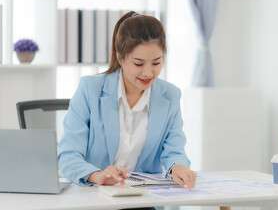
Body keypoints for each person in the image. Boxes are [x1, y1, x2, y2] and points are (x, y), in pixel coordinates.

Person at [58, 11, 197, 191]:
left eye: (156, 63)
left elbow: (174, 150)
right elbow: (68, 155)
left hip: (143, 199)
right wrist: (98, 176)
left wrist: (178, 166)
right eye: (138, 64)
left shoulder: (170, 95)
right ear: (120, 57)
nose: (148, 73)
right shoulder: (89, 89)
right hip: (94, 195)